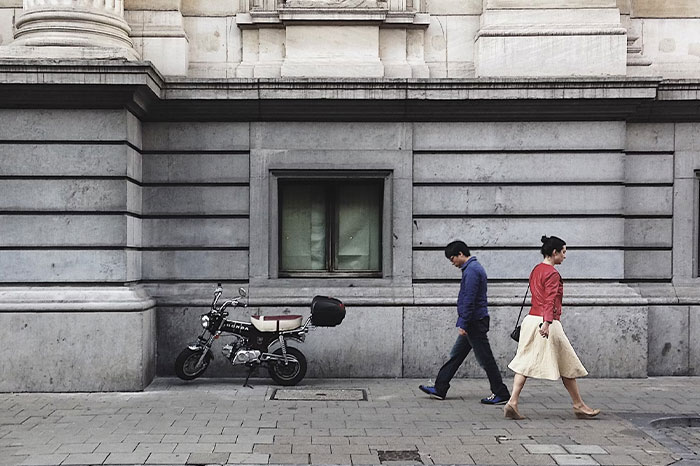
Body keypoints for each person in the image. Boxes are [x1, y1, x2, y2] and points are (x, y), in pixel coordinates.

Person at [504, 235, 601, 420]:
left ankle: (513, 402)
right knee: (568, 363)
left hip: (530, 319)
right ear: (554, 252)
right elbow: (549, 300)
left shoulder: (536, 270)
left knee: (524, 362)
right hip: (546, 323)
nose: (565, 256)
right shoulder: (553, 273)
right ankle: (578, 404)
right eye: (563, 252)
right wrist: (547, 323)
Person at [419, 240, 511, 404]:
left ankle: (501, 393)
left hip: (474, 322)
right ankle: (440, 387)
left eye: (452, 258)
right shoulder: (471, 269)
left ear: (461, 254)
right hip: (473, 321)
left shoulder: (472, 271)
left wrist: (463, 322)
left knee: (485, 359)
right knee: (456, 355)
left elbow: (469, 299)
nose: (452, 262)